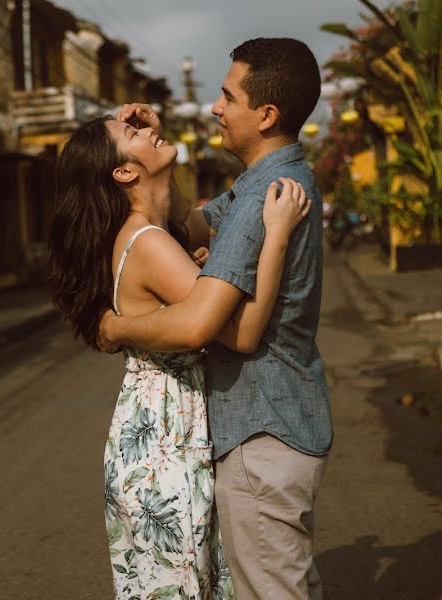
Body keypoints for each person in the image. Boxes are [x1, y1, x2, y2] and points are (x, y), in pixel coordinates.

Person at [99, 38, 333, 600]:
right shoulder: (271, 182)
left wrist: (116, 328)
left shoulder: (264, 200)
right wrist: (151, 162)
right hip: (278, 418)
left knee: (272, 588)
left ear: (266, 115)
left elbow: (212, 326)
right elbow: (198, 224)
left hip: (262, 425)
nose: (215, 107)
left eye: (228, 96)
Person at [46, 112, 310, 599]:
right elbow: (242, 332)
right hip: (165, 443)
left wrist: (134, 130)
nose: (150, 130)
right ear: (124, 172)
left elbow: (185, 215)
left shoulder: (154, 232)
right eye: (135, 134)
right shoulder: (147, 241)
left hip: (160, 432)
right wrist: (276, 236)